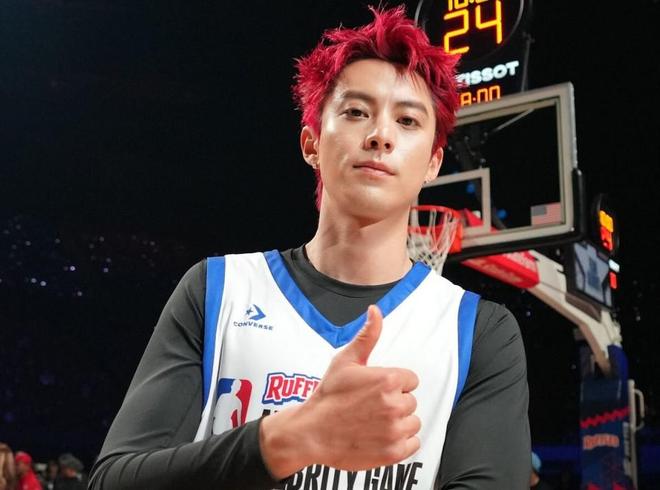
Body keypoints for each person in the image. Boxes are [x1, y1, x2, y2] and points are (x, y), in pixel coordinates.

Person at [89, 6, 530, 489]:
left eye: (407, 120)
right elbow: (113, 481)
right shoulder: (218, 290)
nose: (381, 135)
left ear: (432, 163)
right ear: (311, 143)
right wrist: (292, 439)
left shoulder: (479, 333)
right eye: (356, 112)